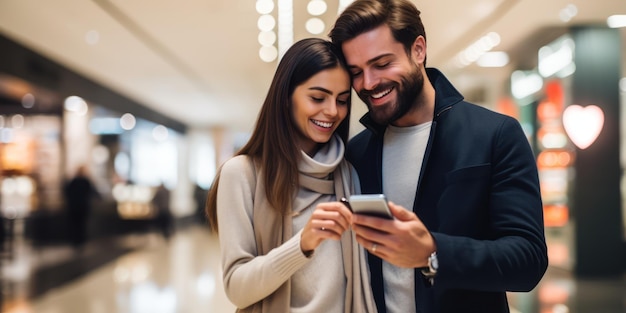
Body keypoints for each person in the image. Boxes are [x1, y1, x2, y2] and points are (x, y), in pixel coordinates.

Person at [329, 0, 548, 312]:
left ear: (418, 50)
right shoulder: (356, 153)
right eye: (356, 72)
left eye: (381, 64)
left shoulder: (494, 135)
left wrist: (432, 252)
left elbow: (527, 261)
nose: (369, 83)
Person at [205, 38, 376, 312]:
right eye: (317, 97)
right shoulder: (241, 174)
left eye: (342, 100)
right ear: (286, 97)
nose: (332, 111)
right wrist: (302, 245)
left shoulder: (347, 175)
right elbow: (237, 289)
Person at [63, 165, 99, 251]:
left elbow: (67, 192)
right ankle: (80, 242)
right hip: (82, 207)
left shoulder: (74, 182)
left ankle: (77, 242)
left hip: (75, 207)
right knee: (81, 225)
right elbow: (93, 193)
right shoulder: (85, 182)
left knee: (76, 225)